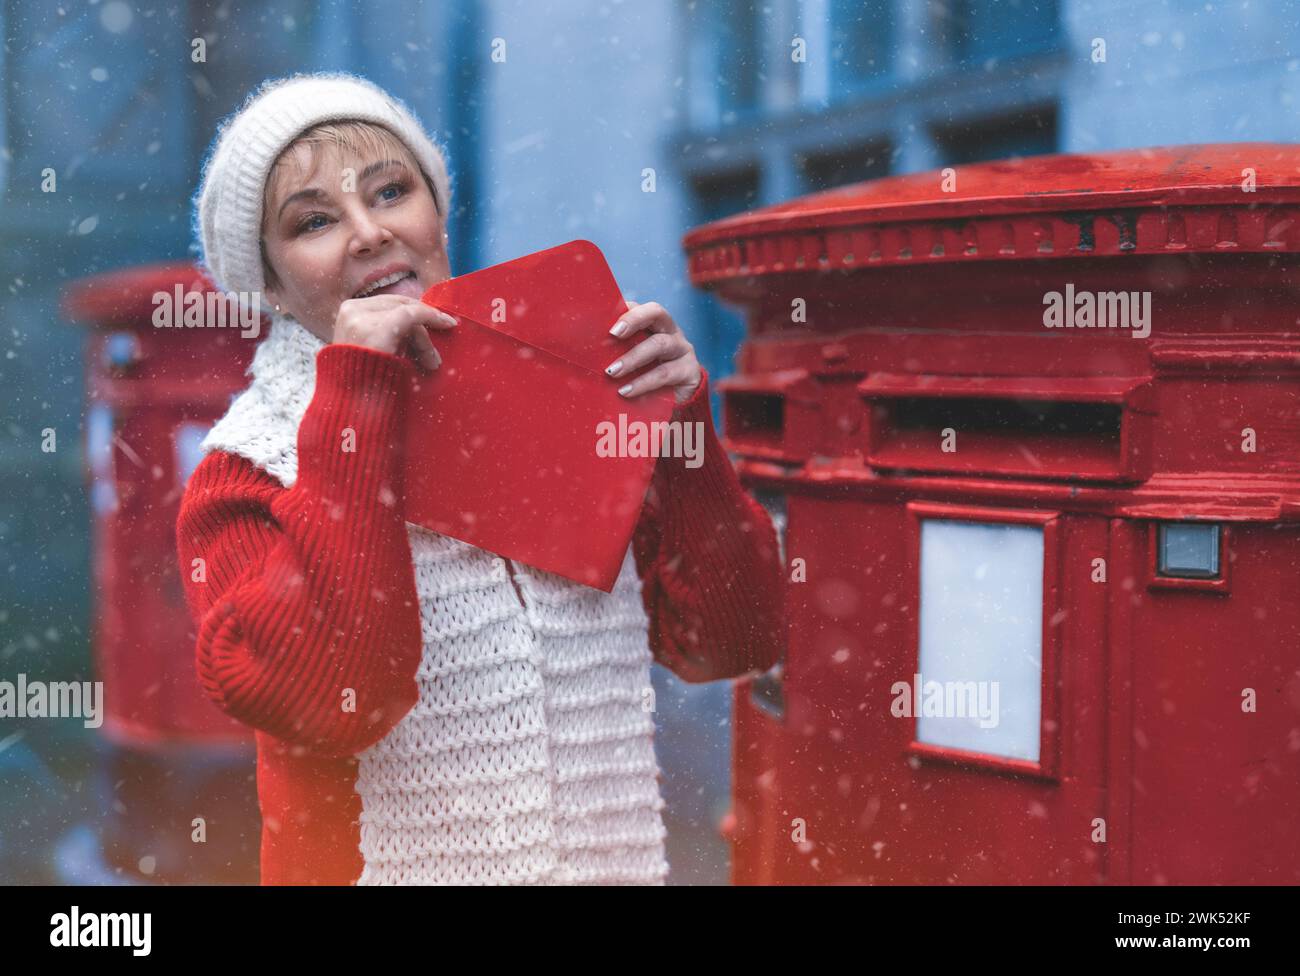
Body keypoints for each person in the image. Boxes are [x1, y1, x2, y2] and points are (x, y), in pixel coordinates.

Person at [177, 71, 786, 885]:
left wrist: (681, 438)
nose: (368, 233)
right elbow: (336, 699)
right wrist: (357, 395)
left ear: (436, 213)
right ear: (273, 286)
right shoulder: (244, 470)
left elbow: (732, 640)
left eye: (392, 191)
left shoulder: (564, 388)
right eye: (315, 221)